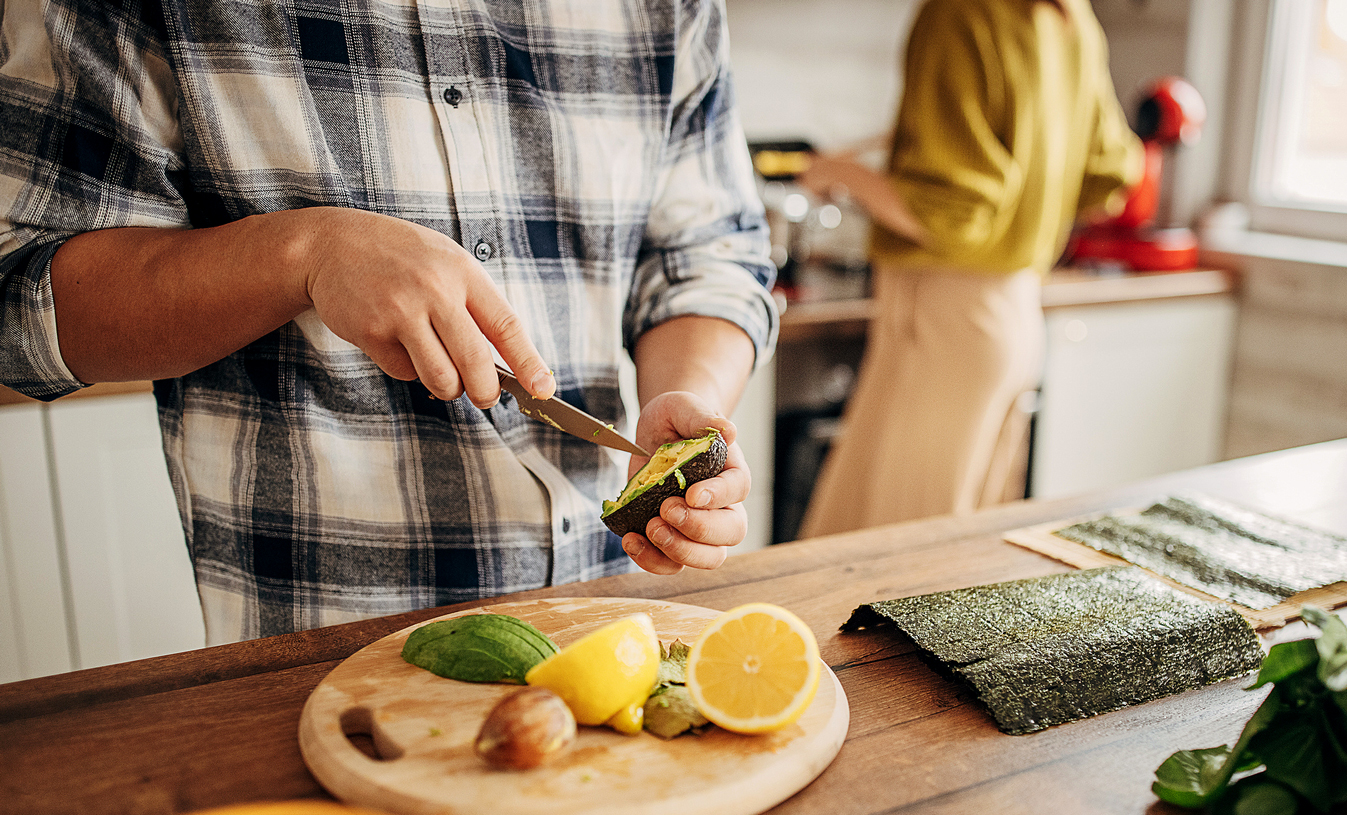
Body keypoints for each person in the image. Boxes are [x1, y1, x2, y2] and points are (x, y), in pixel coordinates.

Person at [0, 0, 775, 643]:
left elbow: (710, 257)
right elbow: (21, 299)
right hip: (324, 650)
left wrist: (688, 407)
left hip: (611, 620)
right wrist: (305, 251)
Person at [795, 0, 1142, 537]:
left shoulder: (958, 13)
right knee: (955, 556)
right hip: (1017, 317)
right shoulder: (1072, 19)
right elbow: (1109, 178)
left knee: (886, 560)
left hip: (944, 324)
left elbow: (950, 214)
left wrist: (835, 171)